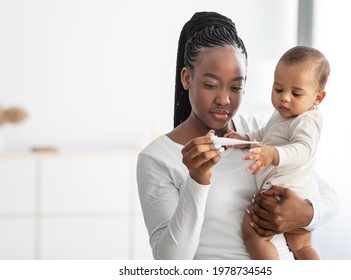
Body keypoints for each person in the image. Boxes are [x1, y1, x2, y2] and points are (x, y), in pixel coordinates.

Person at [136, 11, 339, 260]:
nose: (224, 99)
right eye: (210, 85)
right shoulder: (157, 158)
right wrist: (197, 181)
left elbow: (328, 196)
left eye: (236, 87)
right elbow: (171, 263)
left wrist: (306, 214)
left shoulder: (255, 132)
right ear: (187, 78)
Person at [225, 46, 330, 260]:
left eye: (296, 93)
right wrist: (246, 140)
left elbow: (303, 150)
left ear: (317, 98)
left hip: (287, 193)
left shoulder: (307, 120)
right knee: (301, 248)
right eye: (278, 89)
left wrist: (272, 154)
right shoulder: (281, 115)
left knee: (252, 232)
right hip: (293, 192)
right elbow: (265, 134)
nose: (285, 98)